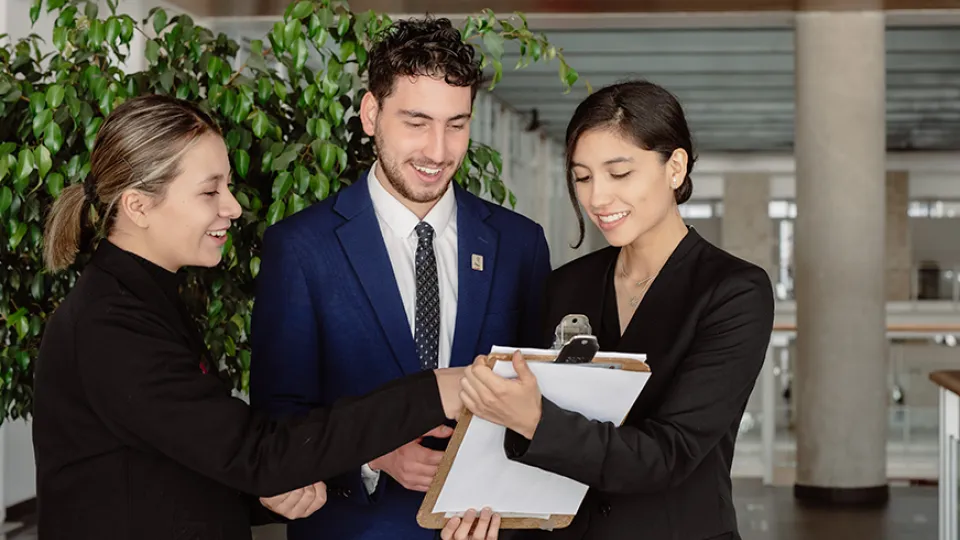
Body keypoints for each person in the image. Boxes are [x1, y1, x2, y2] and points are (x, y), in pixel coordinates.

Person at [31, 93, 482, 540]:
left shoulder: (145, 300)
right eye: (210, 191)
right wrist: (434, 390)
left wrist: (264, 493)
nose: (232, 207)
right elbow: (255, 450)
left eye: (226, 186)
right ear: (138, 206)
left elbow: (183, 461)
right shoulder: (112, 325)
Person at [248, 15, 550, 540]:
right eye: (416, 122)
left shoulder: (520, 243)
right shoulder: (300, 247)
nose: (438, 150)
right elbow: (278, 425)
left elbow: (543, 404)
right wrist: (371, 458)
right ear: (371, 114)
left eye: (456, 124)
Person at [457, 80, 776, 540]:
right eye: (583, 177)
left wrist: (535, 419)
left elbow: (670, 453)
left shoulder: (733, 292)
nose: (597, 199)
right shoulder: (567, 285)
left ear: (676, 167)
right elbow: (535, 451)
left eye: (619, 173)